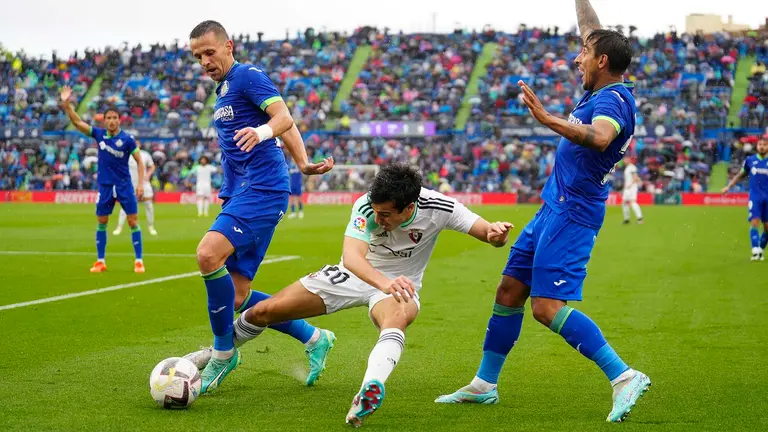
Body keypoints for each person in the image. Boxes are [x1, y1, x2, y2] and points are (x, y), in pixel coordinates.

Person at [435, 0, 651, 423]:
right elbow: (592, 30)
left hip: (573, 213)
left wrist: (547, 118)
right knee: (510, 292)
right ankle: (484, 385)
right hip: (553, 207)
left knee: (546, 307)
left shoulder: (614, 100)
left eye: (584, 54)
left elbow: (601, 138)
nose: (577, 57)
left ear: (602, 61)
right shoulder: (599, 87)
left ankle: (623, 376)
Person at [196, 164, 513, 427]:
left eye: (387, 214)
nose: (379, 219)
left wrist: (496, 234)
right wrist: (382, 282)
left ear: (410, 208)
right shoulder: (366, 205)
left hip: (399, 284)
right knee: (264, 311)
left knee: (397, 318)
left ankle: (370, 388)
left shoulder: (440, 208)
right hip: (352, 274)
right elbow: (352, 257)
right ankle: (214, 355)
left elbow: (487, 233)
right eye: (376, 211)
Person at [188, 20, 335, 393]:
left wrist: (263, 131)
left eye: (209, 52)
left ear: (228, 46)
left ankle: (223, 354)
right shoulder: (223, 90)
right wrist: (302, 163)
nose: (205, 61)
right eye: (197, 56)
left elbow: (283, 117)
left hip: (262, 189)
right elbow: (287, 127)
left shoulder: (247, 76)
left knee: (208, 255)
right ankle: (315, 337)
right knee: (237, 295)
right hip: (243, 190)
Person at [59, 85, 146, 274]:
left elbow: (140, 162)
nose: (112, 121)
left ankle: (138, 261)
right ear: (104, 120)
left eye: (115, 118)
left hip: (124, 186)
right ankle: (100, 261)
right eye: (109, 118)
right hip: (106, 186)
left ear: (119, 120)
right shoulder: (98, 135)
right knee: (102, 221)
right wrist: (67, 105)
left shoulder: (128, 139)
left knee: (133, 221)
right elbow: (77, 123)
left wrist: (140, 184)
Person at [722, 134, 768, 261]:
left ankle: (760, 250)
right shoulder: (750, 160)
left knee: (767, 228)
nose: (762, 147)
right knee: (754, 222)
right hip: (755, 197)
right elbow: (740, 175)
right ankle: (755, 251)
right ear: (757, 146)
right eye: (760, 145)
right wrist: (728, 186)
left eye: (765, 145)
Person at [115, 143, 157, 235]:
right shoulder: (126, 155)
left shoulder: (145, 154)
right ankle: (119, 226)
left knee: (149, 205)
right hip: (130, 184)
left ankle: (151, 226)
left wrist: (148, 175)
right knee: (125, 206)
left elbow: (152, 166)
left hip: (144, 183)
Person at [621, 156, 644, 224]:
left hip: (632, 187)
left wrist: (630, 185)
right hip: (627, 188)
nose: (624, 161)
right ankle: (627, 219)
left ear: (629, 160)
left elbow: (635, 177)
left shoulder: (632, 167)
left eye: (625, 159)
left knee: (632, 202)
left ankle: (640, 218)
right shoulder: (627, 168)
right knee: (624, 203)